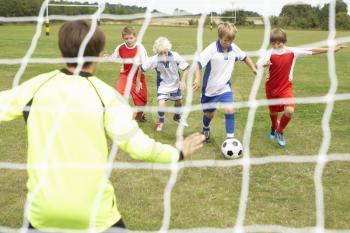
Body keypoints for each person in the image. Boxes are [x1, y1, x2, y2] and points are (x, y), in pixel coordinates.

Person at [0, 20, 204, 232]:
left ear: (61, 53)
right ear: (98, 55)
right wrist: (177, 153)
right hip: (95, 213)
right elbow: (138, 146)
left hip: (42, 213)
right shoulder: (107, 96)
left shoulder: (35, 87)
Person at [260, 27, 346, 147]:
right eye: (273, 43)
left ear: (284, 41)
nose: (276, 45)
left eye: (278, 43)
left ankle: (279, 131)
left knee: (289, 111)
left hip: (286, 87)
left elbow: (312, 50)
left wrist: (333, 49)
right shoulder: (268, 53)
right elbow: (260, 63)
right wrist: (263, 64)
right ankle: (274, 126)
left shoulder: (292, 51)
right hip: (271, 89)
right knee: (273, 112)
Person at [193, 22, 257, 143]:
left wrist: (253, 68)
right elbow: (198, 63)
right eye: (225, 40)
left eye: (230, 41)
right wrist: (197, 78)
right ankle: (205, 128)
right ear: (219, 37)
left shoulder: (234, 48)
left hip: (225, 88)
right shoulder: (212, 49)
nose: (228, 44)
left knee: (229, 109)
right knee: (209, 115)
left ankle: (230, 140)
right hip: (209, 91)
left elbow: (244, 57)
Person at [141, 37, 189, 132]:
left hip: (175, 84)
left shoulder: (175, 56)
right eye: (160, 53)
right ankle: (161, 121)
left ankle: (177, 117)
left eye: (165, 52)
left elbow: (186, 68)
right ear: (157, 52)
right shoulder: (154, 59)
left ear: (168, 49)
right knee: (161, 103)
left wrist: (183, 81)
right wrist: (138, 81)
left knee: (178, 102)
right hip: (162, 85)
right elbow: (141, 68)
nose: (163, 55)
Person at [112, 26, 148, 122]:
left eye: (131, 38)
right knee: (120, 95)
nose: (129, 40)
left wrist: (138, 80)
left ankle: (139, 117)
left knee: (142, 100)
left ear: (135, 37)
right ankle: (120, 117)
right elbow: (114, 58)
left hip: (138, 76)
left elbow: (145, 65)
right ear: (123, 38)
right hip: (125, 75)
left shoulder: (140, 48)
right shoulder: (120, 48)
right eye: (126, 38)